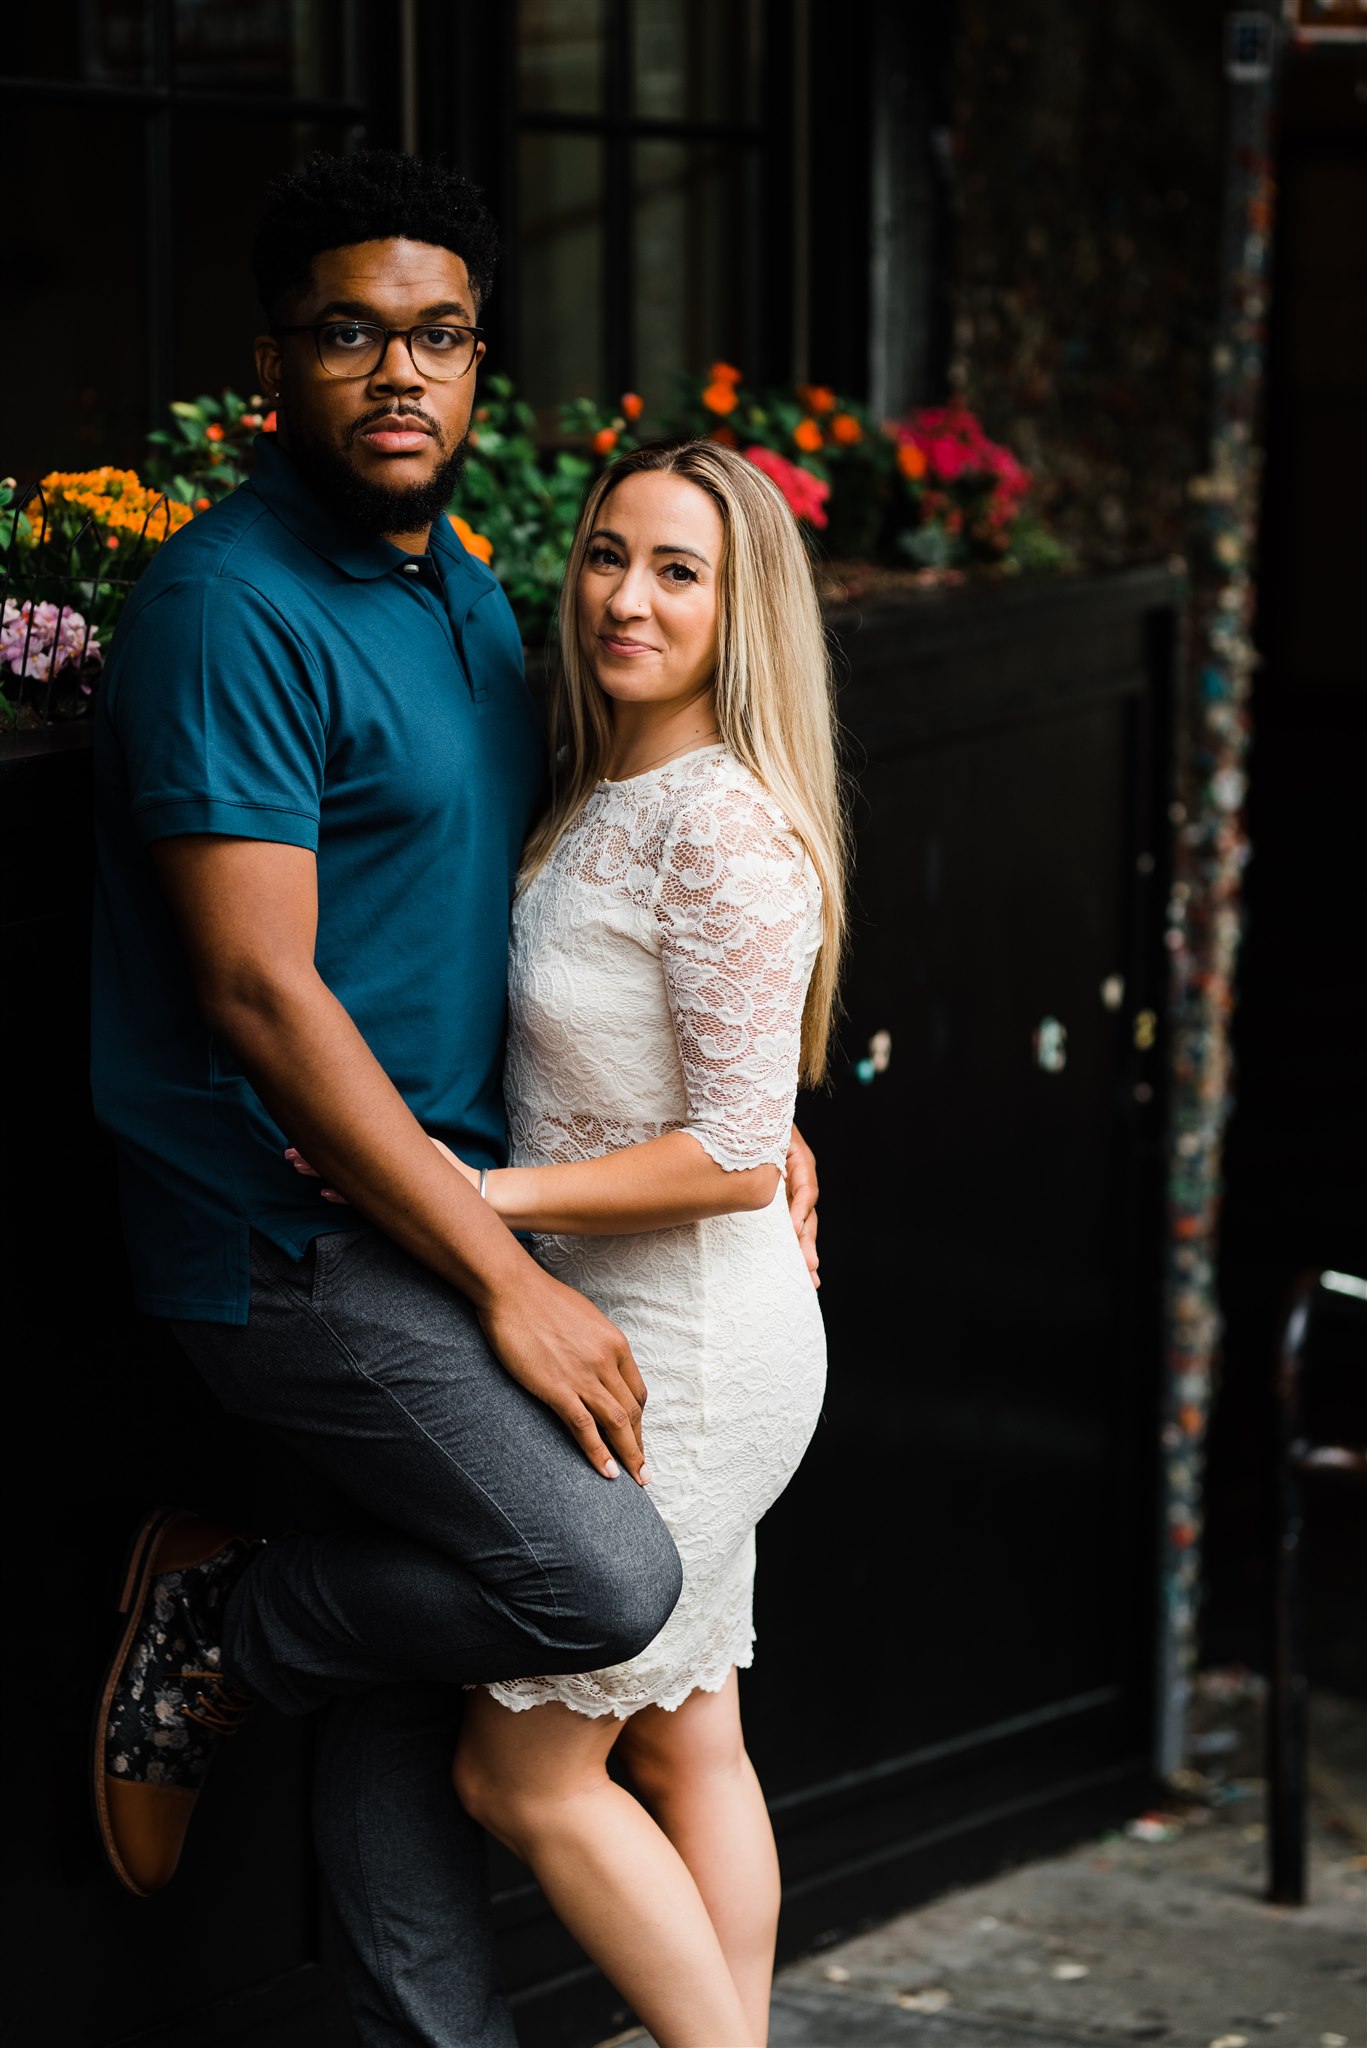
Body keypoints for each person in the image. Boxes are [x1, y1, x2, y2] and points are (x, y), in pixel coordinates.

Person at [89, 149, 819, 2048]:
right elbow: (257, 986)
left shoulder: (476, 597)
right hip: (295, 1233)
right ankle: (231, 1618)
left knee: (438, 1690)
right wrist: (501, 1273)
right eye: (351, 334)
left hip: (453, 1203)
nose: (400, 374)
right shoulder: (226, 608)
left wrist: (756, 1125)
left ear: (482, 367)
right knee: (589, 1576)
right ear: (274, 364)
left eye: (440, 337)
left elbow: (586, 911)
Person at [444, 439, 844, 2046]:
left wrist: (479, 1198)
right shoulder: (600, 780)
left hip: (681, 1351)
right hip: (631, 1326)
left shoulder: (725, 831)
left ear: (742, 609)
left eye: (680, 571)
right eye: (609, 554)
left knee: (515, 1770)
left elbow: (742, 1159)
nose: (626, 596)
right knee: (686, 1743)